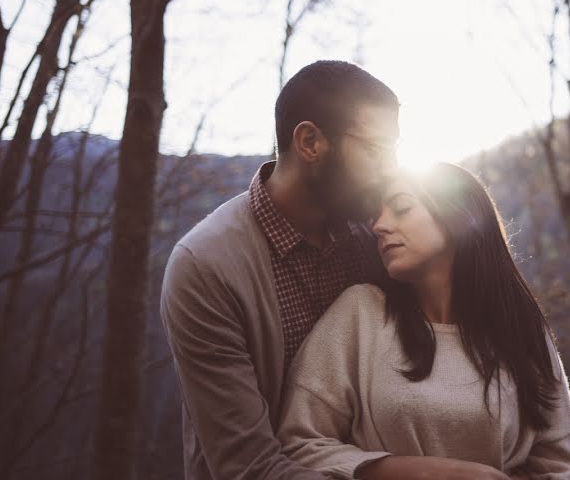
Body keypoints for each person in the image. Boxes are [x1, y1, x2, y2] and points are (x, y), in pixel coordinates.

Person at [160, 60, 399, 480]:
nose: (390, 170)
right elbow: (248, 467)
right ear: (310, 142)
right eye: (377, 150)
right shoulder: (206, 267)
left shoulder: (379, 236)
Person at [278, 162, 570, 480]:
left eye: (401, 208)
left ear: (455, 215)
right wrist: (426, 472)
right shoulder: (360, 313)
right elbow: (298, 445)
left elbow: (561, 467)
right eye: (377, 214)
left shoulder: (520, 327)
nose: (379, 226)